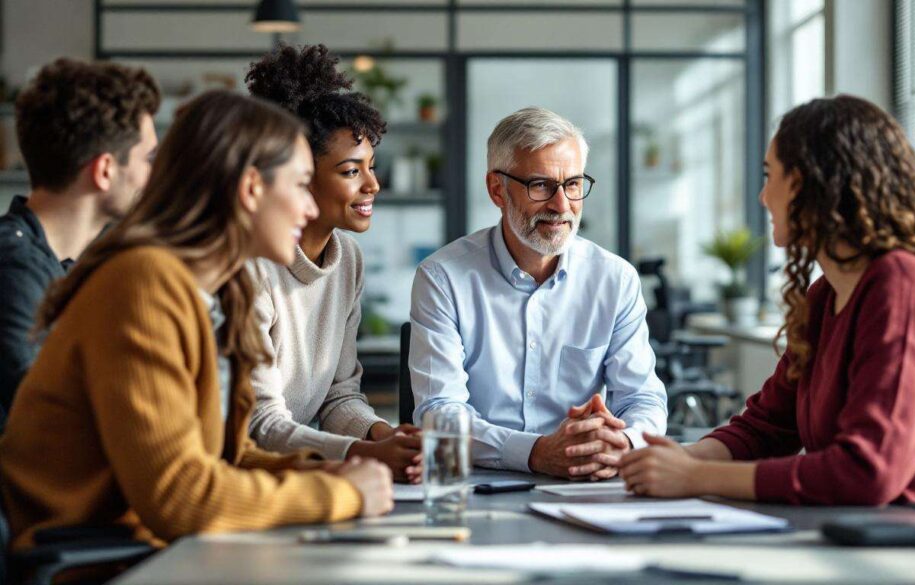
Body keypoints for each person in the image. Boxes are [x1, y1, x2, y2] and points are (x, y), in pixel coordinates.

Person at [0, 90, 393, 553]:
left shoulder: (220, 291)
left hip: (152, 550)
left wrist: (331, 470)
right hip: (89, 558)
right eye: (299, 185)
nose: (309, 209)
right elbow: (178, 496)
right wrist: (343, 493)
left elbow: (229, 457)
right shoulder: (143, 284)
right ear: (251, 188)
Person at [618, 95, 915, 505]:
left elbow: (868, 472)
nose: (764, 197)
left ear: (811, 183)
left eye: (770, 176)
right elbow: (767, 426)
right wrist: (676, 460)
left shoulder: (902, 285)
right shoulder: (827, 296)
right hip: (860, 531)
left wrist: (697, 477)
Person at [410, 107, 667, 479]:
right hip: (478, 481)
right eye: (541, 185)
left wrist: (622, 443)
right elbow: (439, 411)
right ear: (497, 189)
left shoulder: (615, 279)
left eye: (573, 184)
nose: (561, 206)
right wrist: (535, 453)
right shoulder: (443, 277)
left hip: (586, 480)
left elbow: (642, 398)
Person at [245, 44, 421, 483]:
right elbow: (259, 424)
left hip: (300, 473)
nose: (373, 185)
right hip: (253, 477)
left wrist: (386, 436)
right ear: (299, 175)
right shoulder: (251, 266)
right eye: (350, 172)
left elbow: (339, 397)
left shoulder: (348, 261)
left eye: (372, 167)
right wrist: (365, 453)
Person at [0, 58, 159, 430]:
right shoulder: (14, 267)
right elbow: (58, 419)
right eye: (148, 158)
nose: (156, 174)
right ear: (104, 170)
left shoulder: (83, 263)